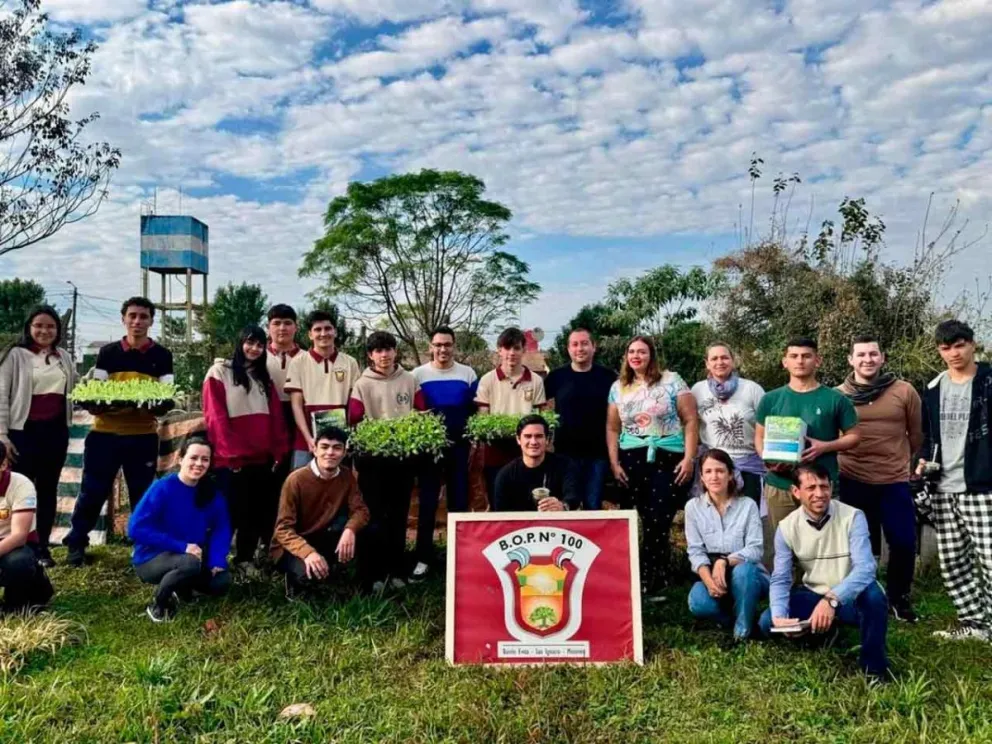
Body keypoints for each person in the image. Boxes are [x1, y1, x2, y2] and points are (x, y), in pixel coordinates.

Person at [64, 297, 174, 567]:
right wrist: (96, 404)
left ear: (151, 321)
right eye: (133, 316)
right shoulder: (109, 353)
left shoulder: (162, 356)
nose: (137, 322)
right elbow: (99, 394)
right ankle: (77, 543)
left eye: (144, 316)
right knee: (93, 490)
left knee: (142, 493)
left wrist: (157, 405)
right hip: (105, 434)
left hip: (143, 436)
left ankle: (144, 544)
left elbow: (166, 397)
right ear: (123, 318)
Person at [759, 462, 889, 679]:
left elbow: (866, 568)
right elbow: (781, 578)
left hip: (850, 596)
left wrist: (831, 600)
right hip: (814, 593)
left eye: (824, 487)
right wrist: (780, 616)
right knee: (767, 622)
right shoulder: (786, 528)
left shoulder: (852, 517)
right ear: (796, 492)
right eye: (811, 488)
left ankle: (874, 670)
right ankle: (823, 630)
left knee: (874, 598)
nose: (819, 494)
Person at [837, 335, 923, 623]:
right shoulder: (838, 395)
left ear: (882, 358)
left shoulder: (904, 391)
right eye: (861, 355)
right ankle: (865, 596)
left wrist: (908, 465)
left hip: (894, 480)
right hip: (853, 478)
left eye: (873, 354)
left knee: (903, 541)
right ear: (851, 360)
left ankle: (899, 598)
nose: (867, 360)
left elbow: (917, 434)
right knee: (863, 546)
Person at [607, 335, 698, 598]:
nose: (636, 356)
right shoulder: (618, 387)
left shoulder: (672, 381)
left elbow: (691, 420)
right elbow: (613, 427)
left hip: (667, 456)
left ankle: (653, 579)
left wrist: (689, 458)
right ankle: (627, 579)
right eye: (632, 351)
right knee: (630, 519)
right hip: (630, 457)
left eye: (642, 352)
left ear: (652, 355)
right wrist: (614, 463)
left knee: (658, 519)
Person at [919, 320, 992, 642]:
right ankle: (974, 624)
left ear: (973, 344)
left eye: (959, 345)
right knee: (953, 562)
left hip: (982, 484)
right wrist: (923, 461)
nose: (953, 353)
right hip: (942, 488)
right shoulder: (933, 390)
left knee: (990, 559)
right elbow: (927, 436)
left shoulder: (989, 381)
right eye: (946, 348)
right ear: (939, 351)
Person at [202, 325, 289, 577]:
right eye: (249, 343)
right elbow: (215, 417)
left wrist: (278, 450)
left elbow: (276, 419)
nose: (254, 349)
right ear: (240, 343)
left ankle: (245, 559)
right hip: (231, 461)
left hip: (261, 460)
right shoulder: (219, 372)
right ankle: (214, 563)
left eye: (260, 345)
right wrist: (232, 455)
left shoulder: (263, 378)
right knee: (228, 513)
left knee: (254, 512)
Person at [755, 337, 859, 537]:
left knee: (823, 542)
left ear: (817, 360)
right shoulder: (770, 399)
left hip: (821, 485)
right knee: (783, 543)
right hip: (780, 484)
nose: (800, 361)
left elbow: (854, 437)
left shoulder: (836, 399)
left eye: (806, 356)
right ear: (785, 361)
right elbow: (759, 438)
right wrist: (769, 459)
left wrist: (825, 447)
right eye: (794, 356)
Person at [348, 331, 426, 590]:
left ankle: (397, 571)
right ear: (370, 356)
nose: (384, 355)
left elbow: (421, 413)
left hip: (403, 460)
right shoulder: (362, 384)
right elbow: (355, 420)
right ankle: (375, 573)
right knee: (375, 516)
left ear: (395, 352)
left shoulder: (409, 379)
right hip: (373, 462)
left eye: (388, 349)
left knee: (399, 515)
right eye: (378, 351)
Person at [0, 305, 76, 567]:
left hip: (55, 432)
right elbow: (1, 396)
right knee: (21, 488)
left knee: (47, 489)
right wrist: (2, 436)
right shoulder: (15, 356)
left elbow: (75, 389)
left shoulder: (63, 357)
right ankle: (17, 544)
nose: (44, 331)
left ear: (58, 330)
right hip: (22, 433)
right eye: (39, 325)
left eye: (50, 326)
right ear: (29, 328)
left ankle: (42, 546)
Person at [127, 437, 232, 623]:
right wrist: (181, 546)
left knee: (222, 581)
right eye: (193, 457)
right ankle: (158, 605)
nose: (199, 463)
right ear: (180, 459)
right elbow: (136, 528)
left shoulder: (211, 492)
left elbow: (221, 527)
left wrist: (217, 559)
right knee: (189, 563)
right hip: (152, 558)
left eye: (205, 459)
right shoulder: (163, 488)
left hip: (191, 555)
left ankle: (180, 588)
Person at [271, 426, 371, 597]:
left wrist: (350, 530)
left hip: (323, 536)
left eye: (337, 448)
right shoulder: (296, 480)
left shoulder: (346, 476)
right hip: (293, 544)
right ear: (315, 450)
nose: (330, 453)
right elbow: (283, 529)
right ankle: (295, 581)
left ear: (344, 452)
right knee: (308, 576)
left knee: (369, 533)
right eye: (324, 447)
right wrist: (308, 553)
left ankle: (353, 580)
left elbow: (361, 510)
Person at [411, 326, 477, 580]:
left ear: (454, 346)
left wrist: (472, 444)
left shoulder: (467, 374)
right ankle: (423, 558)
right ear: (430, 347)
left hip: (459, 449)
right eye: (438, 344)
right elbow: (412, 410)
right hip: (429, 451)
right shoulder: (417, 375)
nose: (442, 349)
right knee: (427, 503)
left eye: (447, 344)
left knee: (459, 502)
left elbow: (474, 413)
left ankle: (460, 556)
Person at [685, 449, 767, 640]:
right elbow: (695, 551)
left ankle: (743, 632)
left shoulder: (747, 505)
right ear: (702, 477)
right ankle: (731, 619)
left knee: (744, 571)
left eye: (720, 471)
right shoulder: (693, 508)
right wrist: (708, 580)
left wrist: (724, 561)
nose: (714, 476)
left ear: (731, 474)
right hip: (712, 573)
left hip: (748, 574)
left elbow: (755, 549)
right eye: (709, 471)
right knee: (698, 603)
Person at [544, 328, 617, 510]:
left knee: (593, 504)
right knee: (566, 506)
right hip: (564, 453)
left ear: (594, 347)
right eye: (575, 344)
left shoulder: (608, 377)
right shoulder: (557, 377)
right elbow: (540, 406)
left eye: (585, 343)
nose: (580, 348)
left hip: (598, 454)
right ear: (568, 349)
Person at [475, 327, 547, 504]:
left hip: (526, 449)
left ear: (524, 350)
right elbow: (483, 417)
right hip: (496, 450)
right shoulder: (487, 380)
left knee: (528, 500)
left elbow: (541, 415)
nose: (511, 353)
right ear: (499, 350)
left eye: (516, 348)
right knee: (497, 500)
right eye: (507, 348)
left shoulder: (536, 380)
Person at [284, 310, 360, 469]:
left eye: (328, 328)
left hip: (340, 439)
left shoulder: (350, 362)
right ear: (310, 335)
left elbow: (354, 404)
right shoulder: (298, 362)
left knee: (339, 487)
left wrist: (349, 436)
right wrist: (308, 438)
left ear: (335, 331)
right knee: (303, 486)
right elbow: (296, 405)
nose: (323, 333)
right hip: (306, 440)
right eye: (318, 330)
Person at [691, 343, 765, 503]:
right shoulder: (697, 390)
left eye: (725, 357)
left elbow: (767, 426)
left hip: (749, 466)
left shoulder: (752, 389)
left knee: (749, 517)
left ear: (733, 360)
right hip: (713, 467)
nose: (720, 362)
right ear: (707, 363)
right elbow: (690, 425)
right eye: (714, 358)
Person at [0, 440, 54, 613]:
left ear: (3, 464)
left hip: (15, 545)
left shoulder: (21, 484)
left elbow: (19, 536)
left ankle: (15, 606)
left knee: (18, 563)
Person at [493, 414, 580, 512]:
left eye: (539, 436)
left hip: (556, 525)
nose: (533, 442)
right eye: (528, 436)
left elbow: (573, 497)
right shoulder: (506, 475)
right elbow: (500, 515)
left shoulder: (565, 466)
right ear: (518, 439)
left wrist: (563, 506)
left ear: (547, 440)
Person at [265, 304, 303, 477]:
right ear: (268, 327)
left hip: (299, 418)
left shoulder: (307, 358)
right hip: (267, 416)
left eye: (287, 323)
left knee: (296, 471)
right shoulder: (257, 356)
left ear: (296, 327)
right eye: (277, 323)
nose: (282, 328)